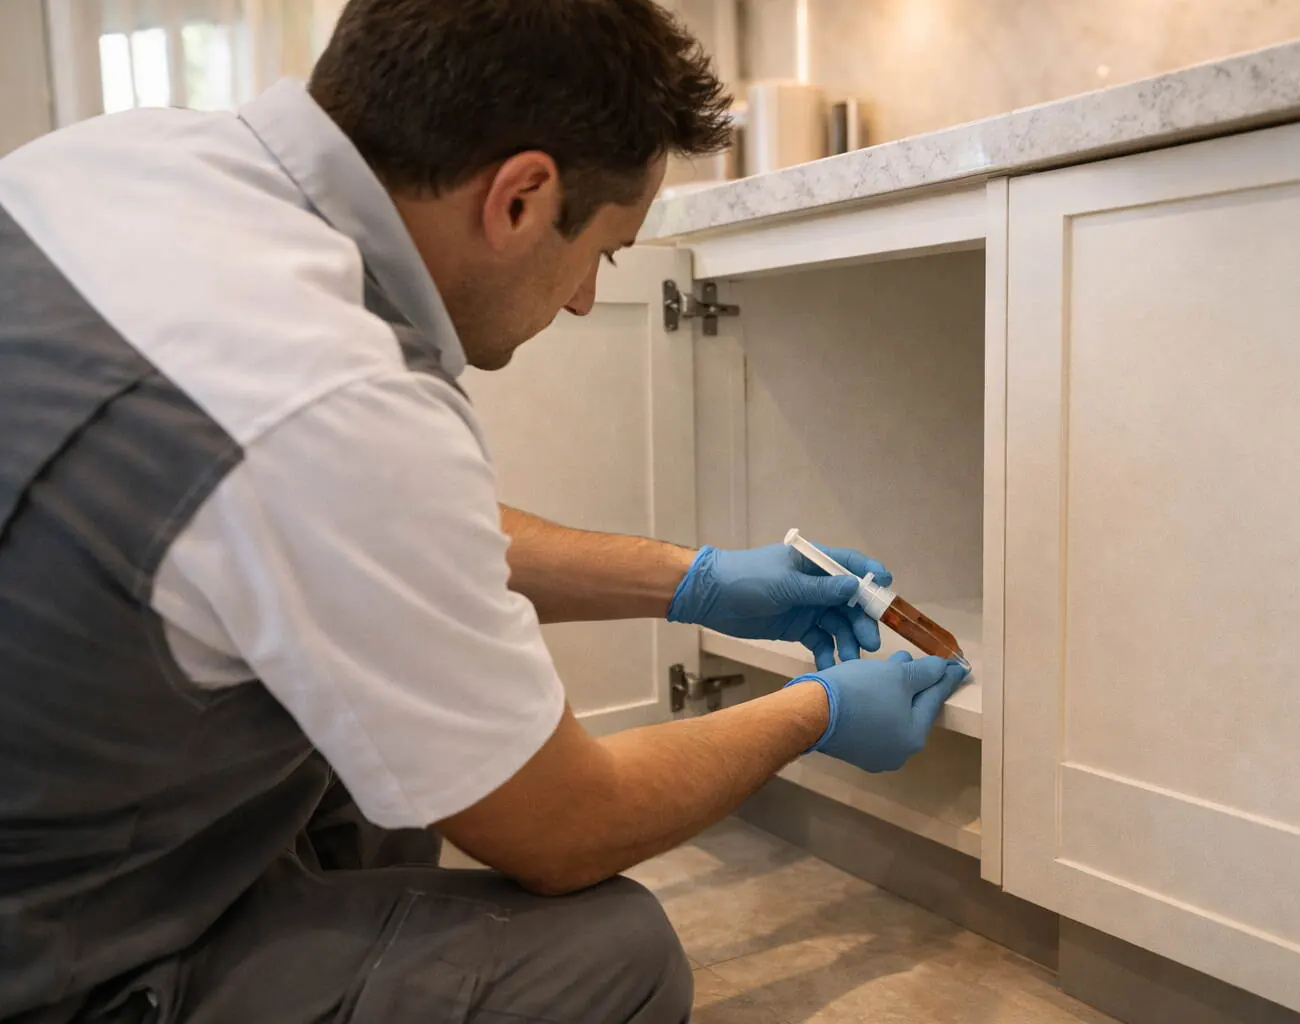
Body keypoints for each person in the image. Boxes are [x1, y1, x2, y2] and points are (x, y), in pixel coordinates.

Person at [0, 1, 968, 1021]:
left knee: (374, 761)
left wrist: (694, 581)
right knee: (609, 956)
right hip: (45, 958)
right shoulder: (330, 396)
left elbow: (356, 526)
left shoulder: (103, 165)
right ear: (520, 198)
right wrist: (813, 713)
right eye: (604, 248)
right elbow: (564, 827)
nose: (590, 296)